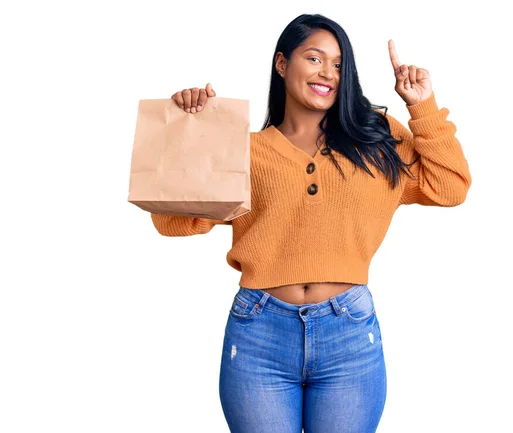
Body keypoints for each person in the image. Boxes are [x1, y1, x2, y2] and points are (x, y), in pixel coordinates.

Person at [151, 13, 471, 433]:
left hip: (349, 335)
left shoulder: (376, 140)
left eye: (338, 64)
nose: (328, 73)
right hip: (258, 335)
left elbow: (449, 186)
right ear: (282, 64)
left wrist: (421, 106)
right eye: (315, 59)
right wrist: (190, 130)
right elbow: (171, 219)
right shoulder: (244, 151)